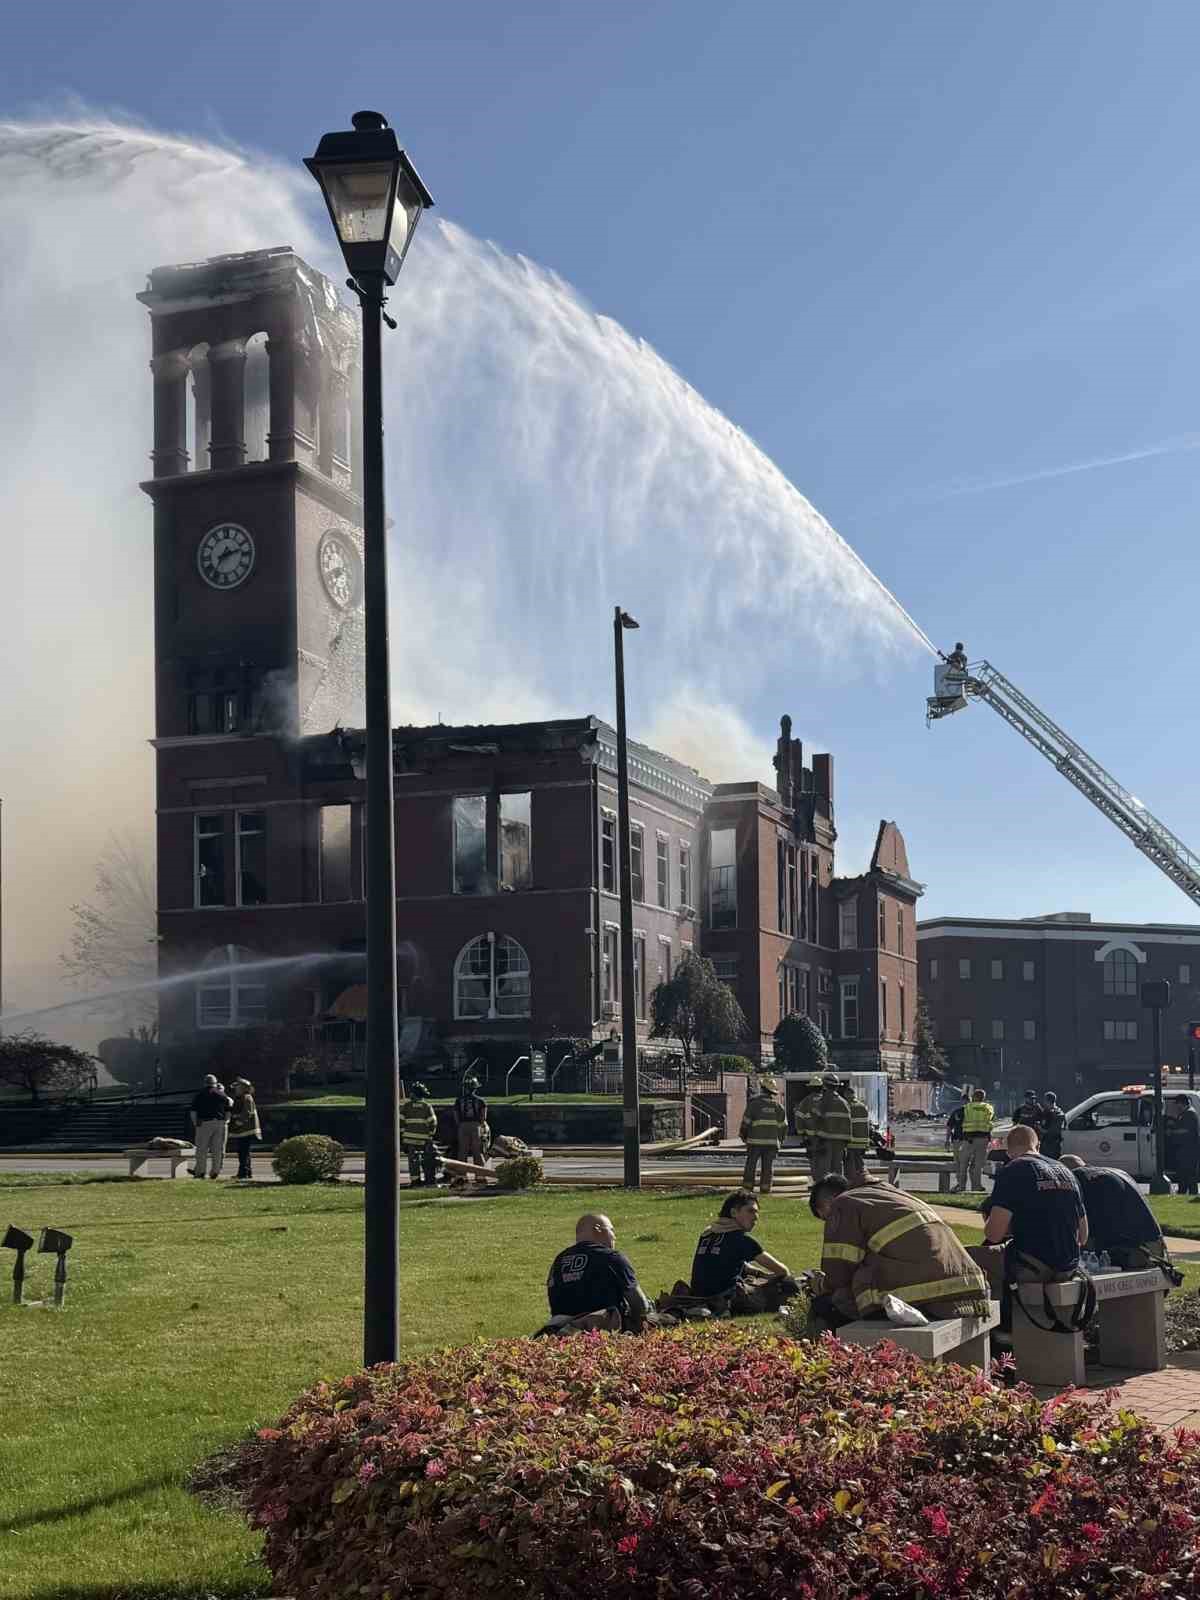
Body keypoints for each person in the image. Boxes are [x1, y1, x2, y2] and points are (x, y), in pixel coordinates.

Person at [809, 1173, 989, 1332]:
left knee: (827, 1306)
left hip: (924, 1295)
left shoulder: (844, 1204)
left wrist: (820, 1284)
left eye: (825, 1217)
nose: (828, 1222)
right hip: (967, 1289)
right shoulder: (891, 1194)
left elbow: (838, 1273)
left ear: (829, 1202)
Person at [969, 1125, 1087, 1307]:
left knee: (970, 1260)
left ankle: (998, 1327)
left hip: (1032, 1264)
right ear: (1037, 1145)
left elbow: (993, 1234)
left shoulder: (1013, 1170)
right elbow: (1083, 1235)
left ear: (1008, 1151)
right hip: (1068, 1265)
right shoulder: (1066, 1171)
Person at [688, 1189, 795, 1313]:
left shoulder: (707, 1234)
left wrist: (760, 1274)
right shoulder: (741, 1240)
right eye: (751, 1211)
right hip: (729, 1299)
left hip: (698, 1297)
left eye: (757, 1212)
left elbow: (726, 1262)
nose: (756, 1217)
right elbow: (783, 1271)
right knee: (788, 1283)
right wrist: (769, 1278)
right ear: (733, 1212)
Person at [543, 1213, 651, 1333]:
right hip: (601, 1331)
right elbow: (641, 1305)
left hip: (560, 1330)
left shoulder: (559, 1260)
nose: (614, 1237)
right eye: (611, 1230)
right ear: (598, 1229)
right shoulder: (611, 1257)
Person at [1059, 1155, 1170, 1270]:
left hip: (1134, 1251)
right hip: (1155, 1246)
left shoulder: (1076, 1177)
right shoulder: (1117, 1172)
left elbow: (1078, 1223)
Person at [739, 1075, 787, 1193]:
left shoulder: (754, 1104)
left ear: (762, 1088)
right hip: (771, 1143)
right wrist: (779, 1142)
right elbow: (783, 1127)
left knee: (751, 1165)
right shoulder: (778, 1107)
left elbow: (746, 1122)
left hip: (754, 1142)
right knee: (768, 1167)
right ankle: (765, 1188)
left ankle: (747, 1188)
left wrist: (743, 1135)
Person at [809, 1072, 852, 1181]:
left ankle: (824, 1190)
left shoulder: (822, 1101)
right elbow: (848, 1123)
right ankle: (838, 1190)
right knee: (837, 1167)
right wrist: (846, 1142)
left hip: (825, 1140)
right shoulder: (844, 1103)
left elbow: (814, 1120)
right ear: (837, 1086)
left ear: (824, 1085)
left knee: (824, 1168)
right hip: (841, 1142)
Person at [189, 1073, 232, 1180]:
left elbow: (193, 1111)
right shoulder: (222, 1095)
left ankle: (200, 1172)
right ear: (215, 1083)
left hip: (204, 1123)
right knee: (217, 1149)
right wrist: (226, 1121)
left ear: (205, 1083)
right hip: (219, 1124)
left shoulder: (199, 1095)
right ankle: (215, 1172)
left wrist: (195, 1124)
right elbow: (228, 1109)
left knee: (202, 1149)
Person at [401, 1082, 440, 1187]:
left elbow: (400, 1123)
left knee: (413, 1161)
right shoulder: (427, 1106)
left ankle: (415, 1181)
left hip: (409, 1140)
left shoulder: (406, 1107)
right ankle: (430, 1180)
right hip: (424, 1140)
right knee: (428, 1160)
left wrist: (403, 1137)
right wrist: (430, 1135)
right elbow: (433, 1122)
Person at [451, 1076, 488, 1181]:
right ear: (475, 1088)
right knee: (477, 1151)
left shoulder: (459, 1100)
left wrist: (460, 1125)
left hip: (463, 1126)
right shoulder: (481, 1101)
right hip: (476, 1126)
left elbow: (456, 1115)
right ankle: (480, 1176)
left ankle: (461, 1176)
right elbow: (483, 1117)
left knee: (462, 1152)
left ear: (465, 1088)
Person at [227, 1077, 262, 1180]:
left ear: (243, 1088)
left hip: (245, 1130)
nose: (236, 1089)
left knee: (243, 1152)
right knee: (243, 1152)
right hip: (243, 1130)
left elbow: (247, 1113)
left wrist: (238, 1122)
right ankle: (246, 1172)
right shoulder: (242, 1097)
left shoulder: (246, 1097)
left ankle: (243, 1174)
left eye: (237, 1087)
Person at [960, 1088, 994, 1192]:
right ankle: (976, 1187)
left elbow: (962, 1120)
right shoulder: (988, 1107)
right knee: (978, 1165)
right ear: (983, 1097)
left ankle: (962, 1187)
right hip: (983, 1138)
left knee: (964, 1164)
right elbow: (991, 1120)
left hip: (968, 1139)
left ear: (974, 1096)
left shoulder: (967, 1107)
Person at [1169, 1095, 1200, 1194]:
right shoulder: (1184, 1114)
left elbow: (1186, 1130)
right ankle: (1183, 1191)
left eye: (1177, 1104)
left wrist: (1172, 1132)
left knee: (1189, 1175)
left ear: (1182, 1103)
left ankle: (1190, 1192)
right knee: (1183, 1174)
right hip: (1184, 1150)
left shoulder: (1190, 1114)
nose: (1176, 1107)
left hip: (1189, 1150)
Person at [945, 1095, 969, 1193]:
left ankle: (961, 1185)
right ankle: (961, 1184)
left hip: (961, 1140)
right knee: (961, 1164)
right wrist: (947, 1140)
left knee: (960, 1164)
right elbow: (950, 1127)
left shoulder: (957, 1112)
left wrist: (947, 1140)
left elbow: (949, 1127)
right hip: (965, 1140)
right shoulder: (958, 1112)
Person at [1039, 1091, 1066, 1161]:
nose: (1043, 1102)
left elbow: (1047, 1131)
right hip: (1055, 1145)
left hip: (1049, 1146)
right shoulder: (1059, 1111)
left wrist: (1038, 1127)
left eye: (1044, 1100)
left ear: (1048, 1101)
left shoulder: (1052, 1114)